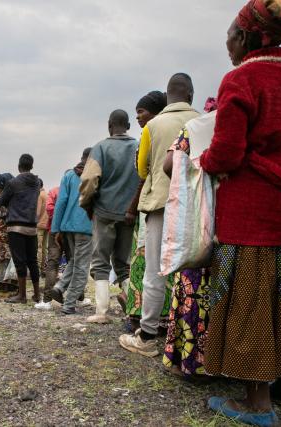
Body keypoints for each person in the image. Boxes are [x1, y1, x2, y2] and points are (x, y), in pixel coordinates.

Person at [201, 1, 281, 425]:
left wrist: (199, 163)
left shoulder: (242, 79)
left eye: (231, 37)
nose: (228, 46)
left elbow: (228, 152)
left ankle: (256, 404)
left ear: (248, 37)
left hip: (249, 215)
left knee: (251, 302)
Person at [119, 73, 199, 355]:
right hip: (194, 207)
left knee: (155, 270)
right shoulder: (201, 121)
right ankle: (186, 336)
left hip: (160, 204)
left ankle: (148, 335)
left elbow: (142, 170)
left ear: (168, 96)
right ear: (190, 95)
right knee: (191, 270)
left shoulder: (153, 126)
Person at [161, 99, 218, 378]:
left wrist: (197, 173)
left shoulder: (195, 128)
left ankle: (191, 362)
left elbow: (169, 164)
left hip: (201, 218)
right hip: (240, 219)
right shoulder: (249, 124)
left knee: (194, 281)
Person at [79, 110, 139, 323]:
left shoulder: (101, 148)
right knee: (124, 264)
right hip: (130, 214)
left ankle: (101, 312)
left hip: (104, 212)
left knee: (101, 261)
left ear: (109, 125)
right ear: (129, 125)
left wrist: (87, 204)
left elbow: (89, 181)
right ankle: (133, 307)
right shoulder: (138, 147)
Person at [124, 91, 169, 332]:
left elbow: (144, 174)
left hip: (151, 203)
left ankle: (141, 318)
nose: (138, 117)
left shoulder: (150, 132)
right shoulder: (178, 127)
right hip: (174, 203)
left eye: (141, 111)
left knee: (146, 262)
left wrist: (132, 208)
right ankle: (165, 318)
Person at [49, 147, 93, 315]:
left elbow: (61, 202)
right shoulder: (95, 176)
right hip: (86, 226)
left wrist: (56, 229)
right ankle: (69, 303)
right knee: (82, 266)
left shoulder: (68, 176)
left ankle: (60, 287)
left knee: (75, 261)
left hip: (68, 227)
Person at [0, 154, 41, 304]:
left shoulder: (13, 183)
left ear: (18, 165)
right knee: (33, 261)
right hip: (32, 227)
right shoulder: (37, 183)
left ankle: (22, 296)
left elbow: (1, 201)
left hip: (16, 226)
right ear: (32, 166)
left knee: (19, 261)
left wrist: (4, 212)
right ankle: (37, 295)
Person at [36, 180, 49, 277]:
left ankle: (38, 270)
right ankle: (44, 269)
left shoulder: (39, 195)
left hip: (39, 225)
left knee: (38, 248)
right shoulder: (47, 194)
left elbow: (37, 212)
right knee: (44, 248)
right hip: (47, 225)